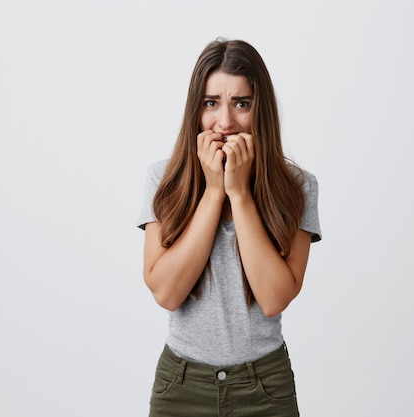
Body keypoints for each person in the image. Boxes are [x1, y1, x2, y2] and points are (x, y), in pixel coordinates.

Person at [137, 38, 322, 417]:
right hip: (181, 385)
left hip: (264, 386)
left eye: (242, 103)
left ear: (261, 109)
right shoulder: (164, 179)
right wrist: (213, 193)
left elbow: (274, 298)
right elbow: (166, 293)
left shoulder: (298, 186)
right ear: (196, 111)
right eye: (211, 103)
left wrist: (239, 195)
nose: (225, 123)